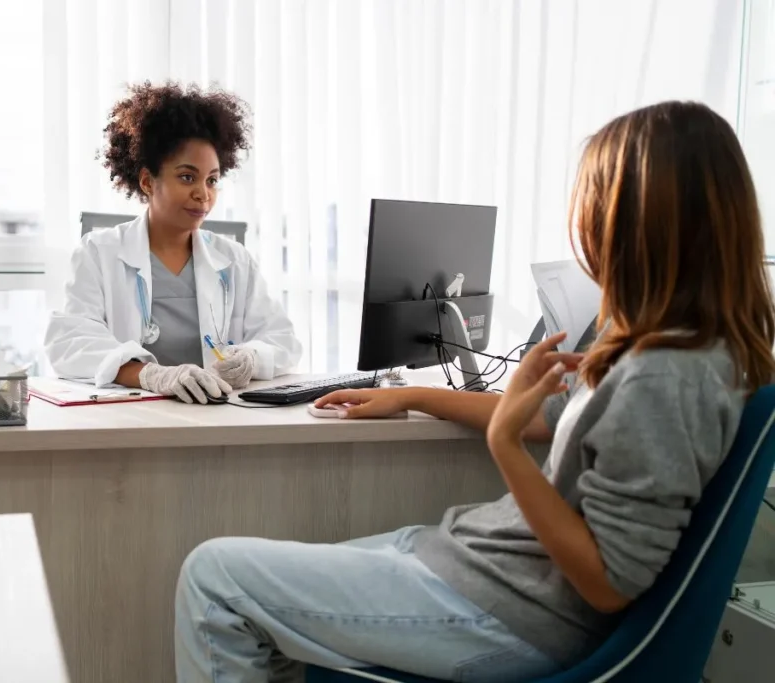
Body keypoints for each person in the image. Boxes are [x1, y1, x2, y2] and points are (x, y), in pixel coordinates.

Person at [174, 100, 775, 682]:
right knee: (271, 603)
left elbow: (608, 583)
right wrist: (411, 396)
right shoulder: (682, 344)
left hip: (514, 612)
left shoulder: (667, 375)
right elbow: (548, 414)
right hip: (489, 571)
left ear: (640, 221)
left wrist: (506, 445)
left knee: (215, 579)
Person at [45, 82, 302, 403]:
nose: (203, 193)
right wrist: (151, 375)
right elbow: (70, 342)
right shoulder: (99, 252)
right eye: (187, 177)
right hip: (131, 416)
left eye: (212, 180)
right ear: (147, 181)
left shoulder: (233, 259)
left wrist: (252, 356)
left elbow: (283, 340)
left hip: (217, 412)